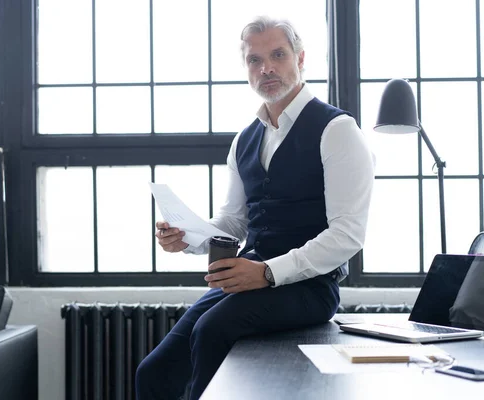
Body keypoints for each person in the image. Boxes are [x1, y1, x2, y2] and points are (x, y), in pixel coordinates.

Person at [136, 16, 374, 400]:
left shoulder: (337, 130)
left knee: (211, 330)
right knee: (154, 373)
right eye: (254, 60)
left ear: (300, 58)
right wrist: (189, 238)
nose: (266, 68)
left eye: (278, 55)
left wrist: (265, 273)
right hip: (245, 277)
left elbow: (348, 235)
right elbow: (234, 221)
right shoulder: (245, 139)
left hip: (309, 288)